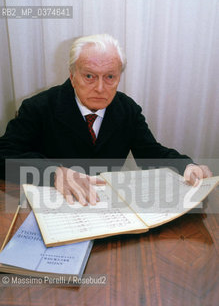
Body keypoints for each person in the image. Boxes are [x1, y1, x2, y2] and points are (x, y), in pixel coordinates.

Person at [0, 34, 212, 206]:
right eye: (89, 76)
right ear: (72, 76)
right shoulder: (38, 107)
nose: (100, 88)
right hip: (52, 206)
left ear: (119, 77)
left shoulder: (127, 109)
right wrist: (53, 172)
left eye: (110, 77)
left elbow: (151, 153)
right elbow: (3, 157)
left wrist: (186, 166)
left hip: (106, 208)